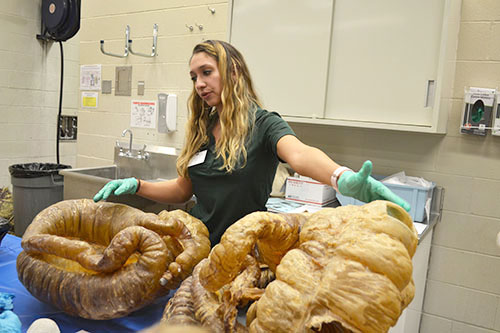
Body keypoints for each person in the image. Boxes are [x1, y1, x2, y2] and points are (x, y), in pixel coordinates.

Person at [93, 40, 410, 245]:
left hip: (242, 250)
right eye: (194, 77)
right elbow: (182, 190)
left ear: (232, 73)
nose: (200, 84)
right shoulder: (204, 127)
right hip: (195, 244)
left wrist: (342, 178)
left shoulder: (264, 124)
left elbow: (299, 155)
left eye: (206, 72)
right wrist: (137, 184)